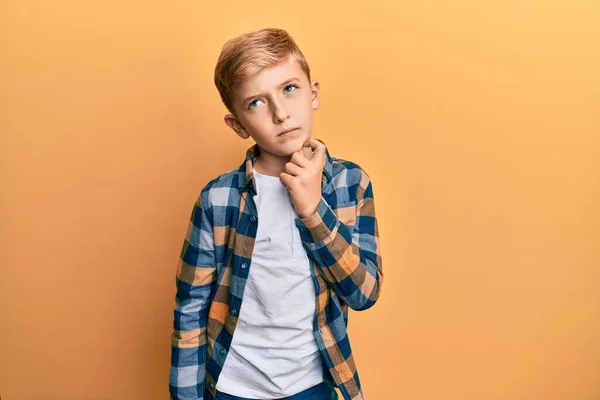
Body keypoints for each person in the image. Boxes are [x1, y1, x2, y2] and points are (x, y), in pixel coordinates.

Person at [169, 28, 383, 400]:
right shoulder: (217, 200)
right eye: (256, 103)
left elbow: (364, 293)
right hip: (232, 387)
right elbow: (190, 311)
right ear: (238, 125)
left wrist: (313, 209)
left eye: (289, 89)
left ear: (313, 93)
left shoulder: (351, 183)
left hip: (313, 385)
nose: (281, 113)